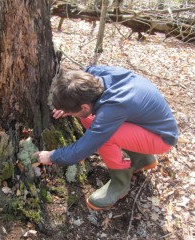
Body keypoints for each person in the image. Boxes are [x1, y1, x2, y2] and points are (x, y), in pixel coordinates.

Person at [34, 65, 178, 210]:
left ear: (84, 107)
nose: (70, 115)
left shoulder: (114, 106)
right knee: (88, 120)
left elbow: (87, 145)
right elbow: (80, 76)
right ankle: (143, 159)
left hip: (162, 138)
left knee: (106, 136)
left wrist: (52, 156)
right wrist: (68, 104)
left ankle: (120, 184)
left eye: (72, 113)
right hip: (147, 125)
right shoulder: (95, 75)